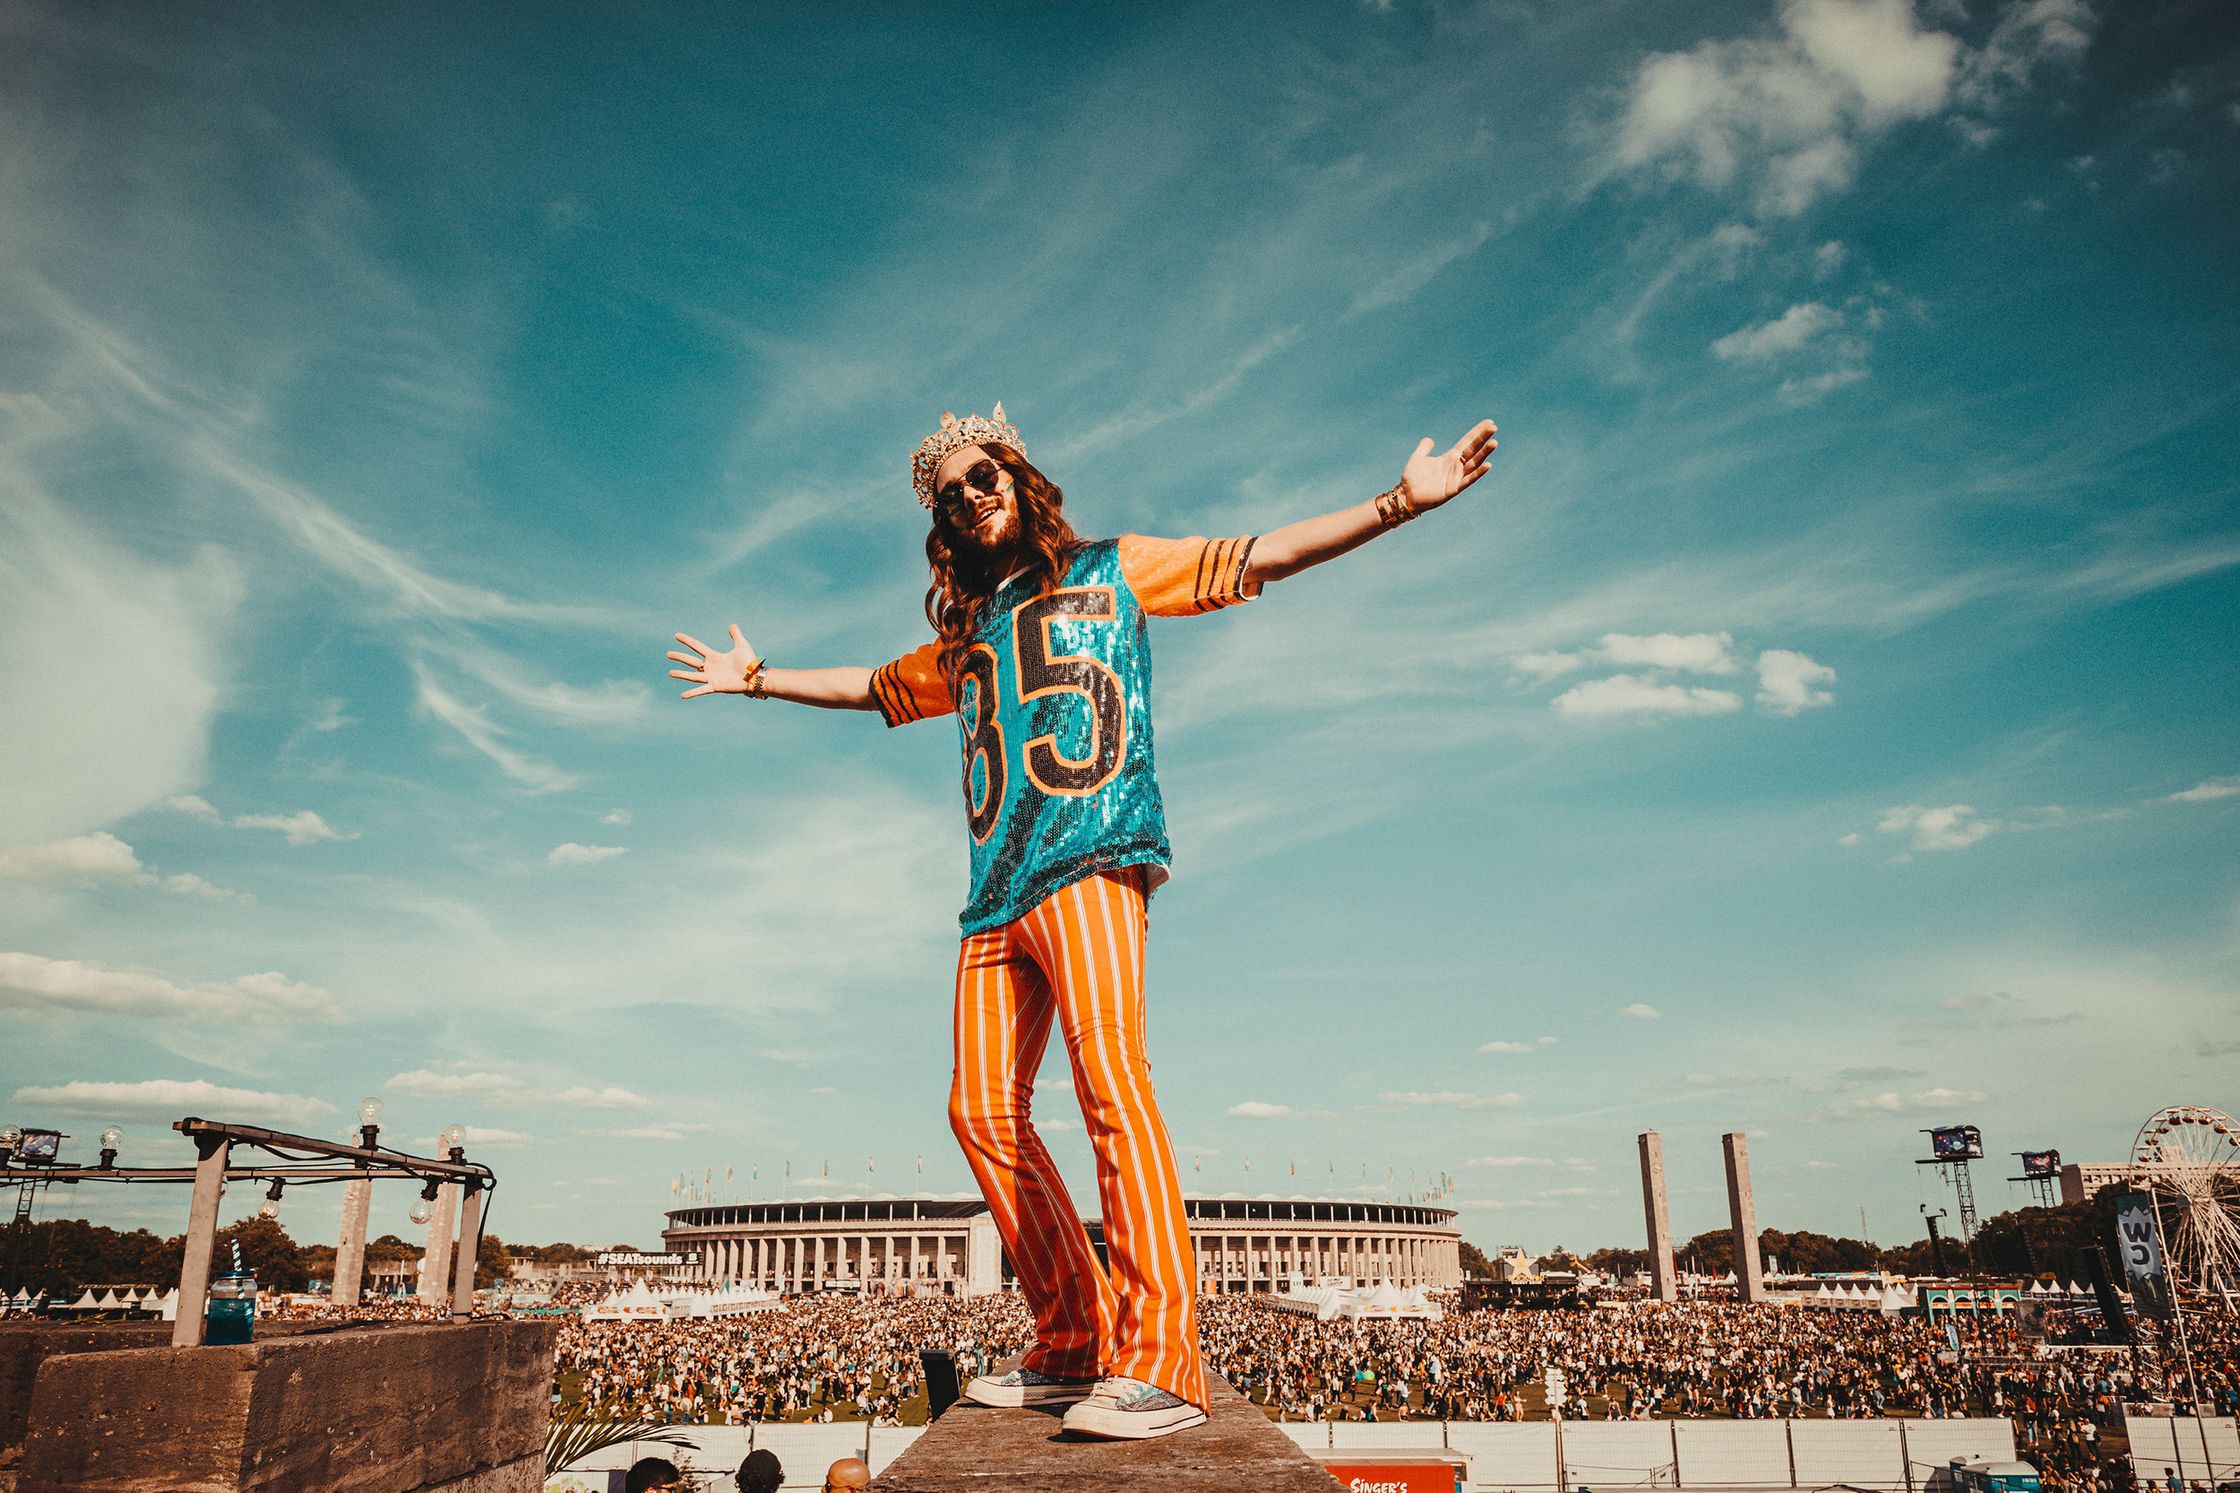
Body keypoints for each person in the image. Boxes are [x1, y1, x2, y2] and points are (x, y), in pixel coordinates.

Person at [669, 402, 1496, 1439]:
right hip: (995, 892)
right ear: (939, 524)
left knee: (1109, 1081)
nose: (970, 497)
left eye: (983, 476)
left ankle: (1160, 1358)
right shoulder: (963, 634)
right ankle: (1070, 1335)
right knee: (978, 1109)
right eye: (949, 494)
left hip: (1093, 857)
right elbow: (870, 687)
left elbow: (1260, 556)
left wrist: (1394, 505)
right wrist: (760, 681)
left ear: (1019, 477)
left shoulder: (1110, 569)